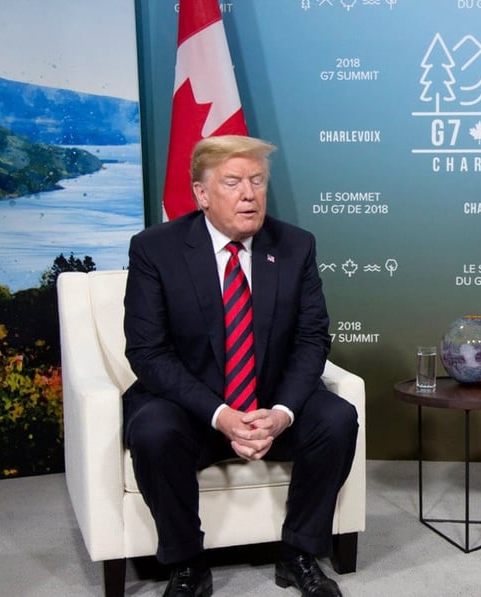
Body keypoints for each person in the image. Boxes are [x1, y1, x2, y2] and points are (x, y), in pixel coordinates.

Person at [122, 135, 358, 597]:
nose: (249, 194)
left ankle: (298, 554)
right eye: (233, 183)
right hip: (193, 409)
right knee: (152, 430)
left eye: (257, 181)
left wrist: (282, 413)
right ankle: (188, 564)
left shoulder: (295, 245)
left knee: (336, 419)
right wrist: (221, 415)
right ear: (202, 194)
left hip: (269, 403)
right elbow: (148, 352)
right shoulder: (155, 249)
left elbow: (312, 339)